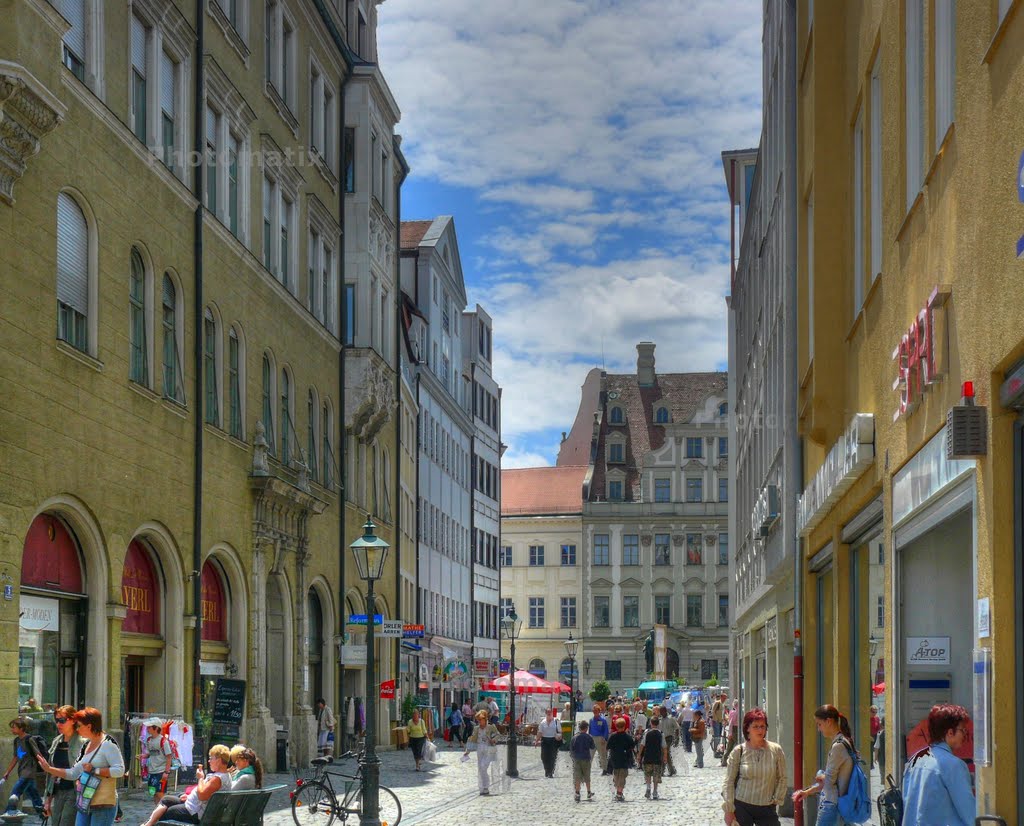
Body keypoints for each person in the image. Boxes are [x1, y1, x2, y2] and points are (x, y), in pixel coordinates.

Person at [36, 708, 124, 826]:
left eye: (79, 726)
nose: (77, 729)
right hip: (85, 800)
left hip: (102, 803)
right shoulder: (86, 745)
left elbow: (120, 771)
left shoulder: (108, 744)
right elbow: (74, 773)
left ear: (89, 726)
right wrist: (49, 769)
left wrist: (95, 770)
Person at [900, 704, 975, 826]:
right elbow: (970, 814)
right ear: (950, 732)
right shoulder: (954, 765)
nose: (964, 735)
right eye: (962, 730)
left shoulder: (915, 760)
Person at [791, 705, 856, 826]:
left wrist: (821, 775)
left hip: (832, 804)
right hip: (839, 802)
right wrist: (807, 792)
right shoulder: (843, 741)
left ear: (829, 721)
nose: (818, 729)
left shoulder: (838, 746)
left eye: (819, 724)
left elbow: (829, 781)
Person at [136, 745, 231, 826]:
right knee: (167, 799)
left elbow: (202, 795)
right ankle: (148, 824)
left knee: (168, 812)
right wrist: (190, 796)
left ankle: (149, 824)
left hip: (196, 813)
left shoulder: (217, 779)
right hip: (196, 807)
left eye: (211, 758)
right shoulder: (223, 776)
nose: (209, 761)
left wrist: (201, 778)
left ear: (218, 760)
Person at [722, 709, 788, 826]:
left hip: (767, 807)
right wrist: (729, 810)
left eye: (762, 726)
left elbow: (782, 777)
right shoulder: (739, 751)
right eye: (756, 726)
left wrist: (777, 798)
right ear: (747, 728)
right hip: (742, 806)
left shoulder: (776, 750)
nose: (760, 730)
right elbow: (729, 781)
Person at [43, 706, 84, 826]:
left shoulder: (82, 742)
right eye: (57, 720)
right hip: (58, 791)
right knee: (55, 823)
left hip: (74, 791)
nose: (58, 724)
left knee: (66, 822)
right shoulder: (57, 741)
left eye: (62, 720)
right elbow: (51, 774)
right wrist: (48, 799)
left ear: (73, 720)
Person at [4, 716, 46, 818]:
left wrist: (47, 768)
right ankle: (43, 814)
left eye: (14, 727)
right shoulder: (16, 741)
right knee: (34, 795)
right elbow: (15, 757)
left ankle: (9, 812)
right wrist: (8, 772)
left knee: (15, 792)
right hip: (22, 771)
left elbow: (38, 754)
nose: (12, 729)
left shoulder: (29, 739)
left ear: (21, 728)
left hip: (29, 772)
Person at [464, 710, 498, 796]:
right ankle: (482, 787)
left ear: (485, 719)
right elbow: (472, 739)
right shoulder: (476, 728)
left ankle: (486, 785)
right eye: (478, 720)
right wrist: (467, 751)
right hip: (479, 748)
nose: (479, 721)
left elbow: (498, 735)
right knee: (480, 768)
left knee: (483, 766)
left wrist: (493, 740)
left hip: (488, 749)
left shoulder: (491, 727)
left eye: (480, 719)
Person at [139, 719, 173, 798]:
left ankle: (162, 809)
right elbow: (150, 753)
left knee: (160, 793)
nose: (147, 729)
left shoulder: (163, 741)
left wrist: (166, 772)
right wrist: (144, 756)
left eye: (149, 727)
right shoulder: (148, 740)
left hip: (161, 771)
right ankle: (157, 808)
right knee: (154, 793)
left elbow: (169, 757)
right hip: (151, 771)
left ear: (156, 728)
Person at [638, 716, 667, 800]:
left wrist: (639, 755)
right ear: (658, 724)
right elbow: (664, 747)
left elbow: (642, 745)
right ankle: (655, 791)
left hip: (647, 756)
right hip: (657, 757)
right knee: (655, 775)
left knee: (647, 774)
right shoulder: (661, 733)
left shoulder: (647, 732)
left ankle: (648, 787)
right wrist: (665, 757)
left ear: (651, 723)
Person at [606, 718, 635, 803]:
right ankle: (619, 793)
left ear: (616, 726)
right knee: (622, 776)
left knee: (616, 774)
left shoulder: (613, 736)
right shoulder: (627, 736)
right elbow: (632, 746)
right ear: (624, 726)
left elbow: (608, 747)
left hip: (614, 759)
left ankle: (618, 791)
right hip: (624, 758)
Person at [569, 720, 595, 803]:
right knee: (587, 775)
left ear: (579, 728)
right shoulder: (589, 737)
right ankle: (588, 792)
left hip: (577, 759)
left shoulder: (574, 737)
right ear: (586, 728)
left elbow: (571, 748)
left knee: (577, 776)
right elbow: (592, 746)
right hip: (586, 758)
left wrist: (573, 757)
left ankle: (577, 793)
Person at [536, 707, 563, 778]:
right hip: (544, 740)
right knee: (544, 757)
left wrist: (559, 736)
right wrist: (537, 740)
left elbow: (560, 732)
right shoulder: (543, 722)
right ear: (546, 714)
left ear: (552, 713)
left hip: (553, 740)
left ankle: (550, 772)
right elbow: (540, 732)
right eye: (548, 713)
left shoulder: (556, 721)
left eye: (550, 713)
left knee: (552, 757)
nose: (549, 714)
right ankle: (546, 770)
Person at [657, 706, 679, 776]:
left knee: (666, 753)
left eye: (662, 711)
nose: (661, 713)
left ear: (665, 711)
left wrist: (677, 738)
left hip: (669, 738)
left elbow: (677, 728)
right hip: (661, 738)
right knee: (663, 754)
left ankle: (668, 770)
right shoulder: (660, 720)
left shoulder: (671, 718)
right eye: (660, 712)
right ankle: (668, 770)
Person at [589, 707, 610, 775]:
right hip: (592, 738)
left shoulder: (603, 720)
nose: (595, 712)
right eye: (593, 710)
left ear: (599, 711)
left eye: (596, 710)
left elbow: (606, 729)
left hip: (600, 738)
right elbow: (590, 729)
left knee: (602, 755)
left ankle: (604, 769)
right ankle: (587, 769)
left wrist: (604, 738)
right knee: (590, 755)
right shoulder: (591, 720)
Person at [723, 699, 741, 764]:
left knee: (730, 746)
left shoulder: (734, 712)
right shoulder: (737, 712)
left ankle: (725, 761)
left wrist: (730, 733)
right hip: (735, 729)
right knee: (737, 745)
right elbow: (731, 723)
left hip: (735, 729)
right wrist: (730, 733)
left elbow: (730, 723)